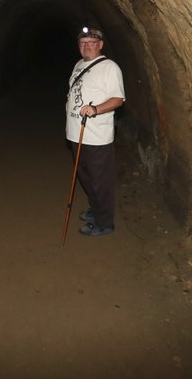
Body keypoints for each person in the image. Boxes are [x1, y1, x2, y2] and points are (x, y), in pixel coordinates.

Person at [65, 26, 125, 237]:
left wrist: (96, 109)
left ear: (100, 45)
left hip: (97, 136)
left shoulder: (110, 68)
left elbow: (118, 99)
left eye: (91, 43)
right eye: (83, 43)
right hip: (77, 133)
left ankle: (104, 222)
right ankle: (96, 209)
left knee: (100, 181)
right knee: (86, 177)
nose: (87, 46)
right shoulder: (80, 64)